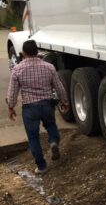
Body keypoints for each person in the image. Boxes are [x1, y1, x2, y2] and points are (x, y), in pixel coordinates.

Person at [7, 40, 69, 175]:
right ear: (36, 52)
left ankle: (41, 166)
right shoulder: (49, 67)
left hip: (30, 108)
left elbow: (13, 91)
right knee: (51, 125)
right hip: (47, 104)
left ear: (23, 53)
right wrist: (63, 101)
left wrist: (11, 107)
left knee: (33, 137)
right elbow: (59, 86)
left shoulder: (17, 69)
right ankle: (53, 142)